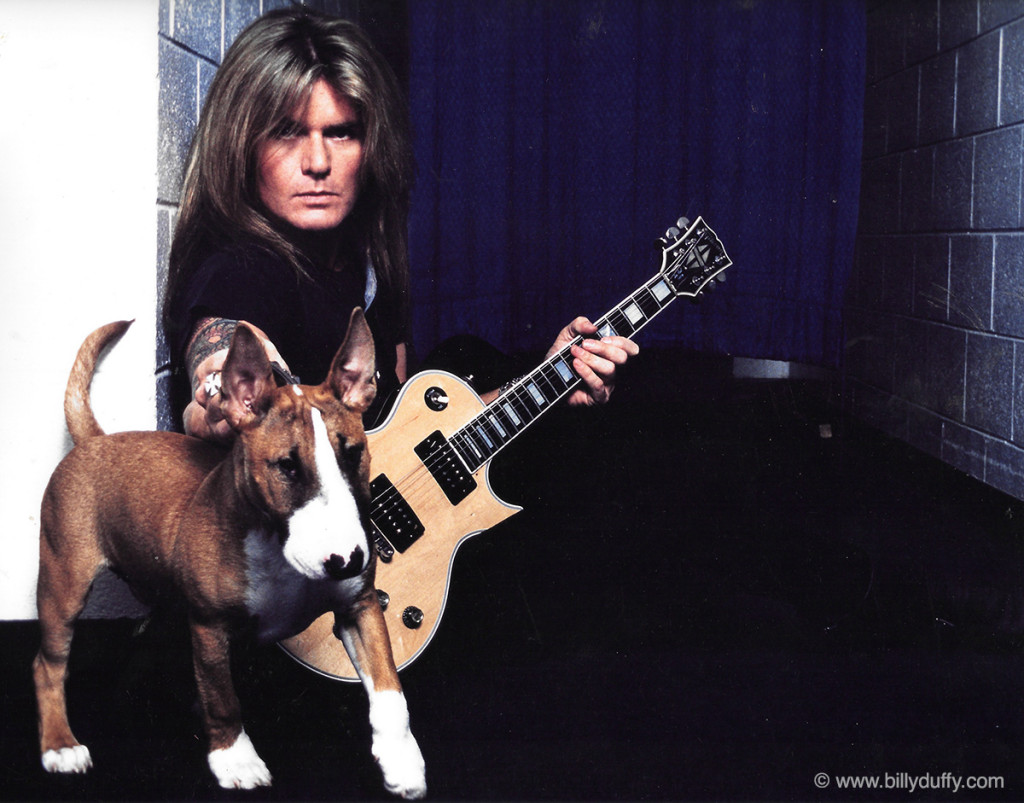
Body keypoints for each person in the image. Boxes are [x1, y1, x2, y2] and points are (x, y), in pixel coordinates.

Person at [163, 6, 637, 444]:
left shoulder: (364, 263)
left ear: (371, 146)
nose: (318, 162)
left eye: (341, 132)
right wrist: (219, 392)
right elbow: (220, 345)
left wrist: (548, 382)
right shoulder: (239, 269)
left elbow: (404, 445)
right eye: (287, 132)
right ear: (241, 146)